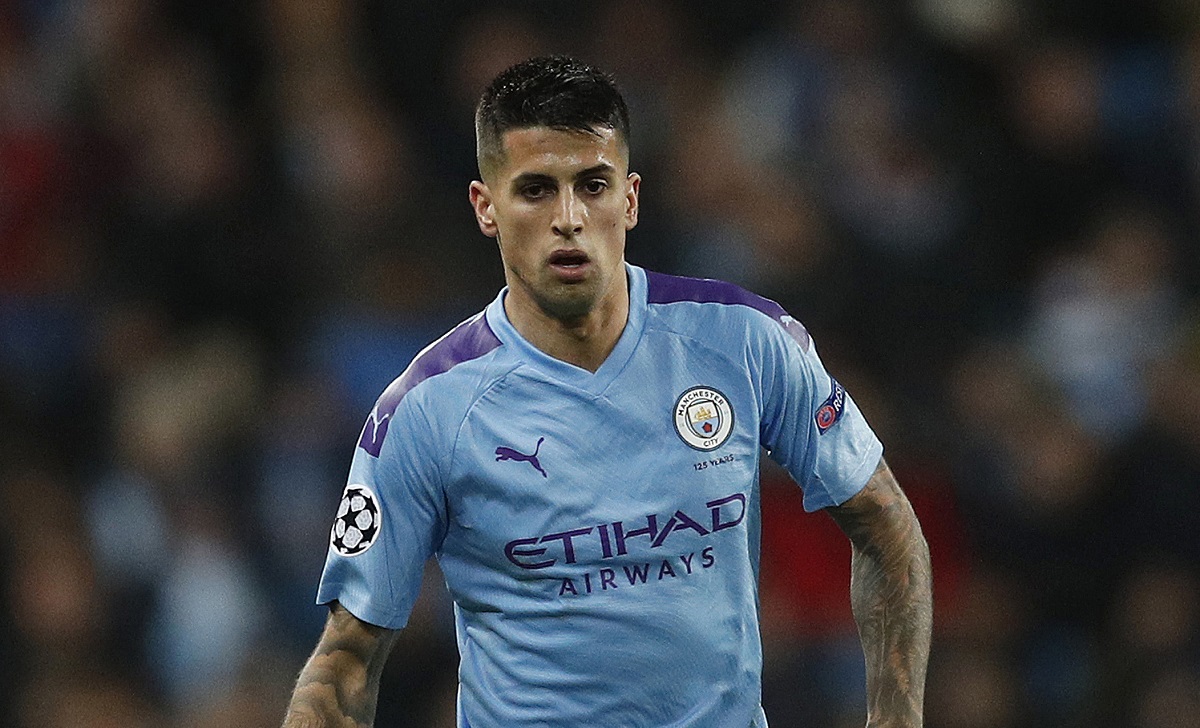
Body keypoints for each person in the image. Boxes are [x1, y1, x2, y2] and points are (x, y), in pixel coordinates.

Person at [281, 55, 931, 728]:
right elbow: (347, 659)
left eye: (592, 185)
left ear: (630, 198)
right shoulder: (425, 411)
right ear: (486, 207)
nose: (568, 218)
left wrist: (896, 718)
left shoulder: (744, 340)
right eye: (535, 190)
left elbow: (885, 523)